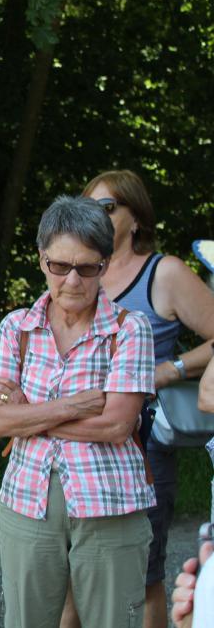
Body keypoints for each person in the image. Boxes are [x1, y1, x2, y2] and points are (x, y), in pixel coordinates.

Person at [0, 195, 156, 628]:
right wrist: (76, 405)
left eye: (87, 267)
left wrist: (30, 416)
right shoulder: (16, 327)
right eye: (60, 266)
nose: (73, 280)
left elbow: (116, 425)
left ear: (105, 263)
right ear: (42, 260)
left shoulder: (129, 328)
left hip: (111, 501)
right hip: (27, 498)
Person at [57, 171, 214, 628]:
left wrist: (173, 368)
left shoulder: (163, 273)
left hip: (141, 445)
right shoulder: (76, 268)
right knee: (69, 574)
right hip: (75, 440)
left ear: (137, 218)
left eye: (107, 207)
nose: (96, 215)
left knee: (143, 576)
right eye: (88, 206)